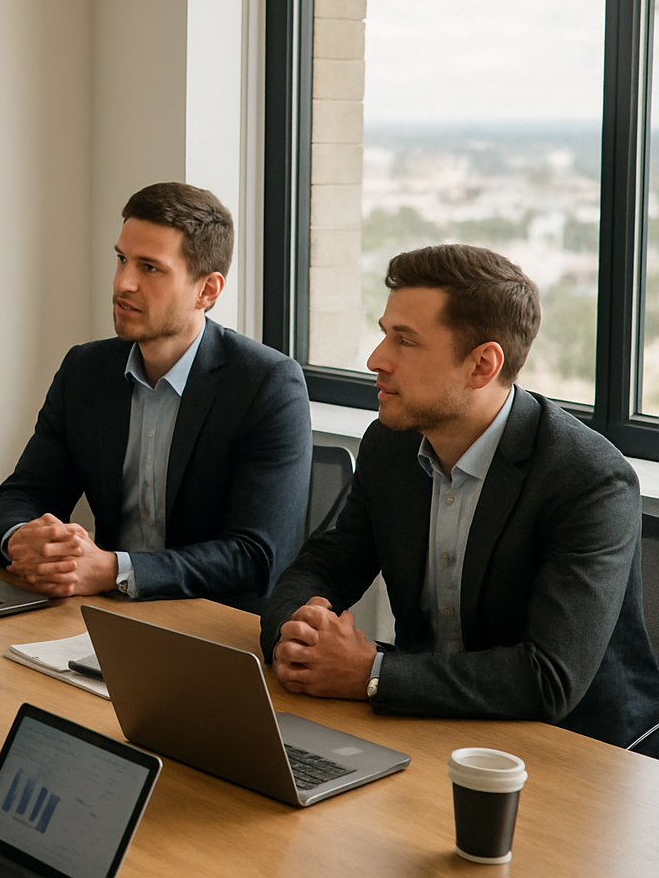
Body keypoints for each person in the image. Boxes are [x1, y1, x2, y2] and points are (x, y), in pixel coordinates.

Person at [260, 244, 659, 748]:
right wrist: (295, 635)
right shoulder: (390, 444)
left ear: (481, 365)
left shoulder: (589, 481)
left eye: (405, 340)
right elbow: (325, 564)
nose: (375, 359)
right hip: (423, 721)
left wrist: (373, 672)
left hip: (574, 752)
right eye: (385, 333)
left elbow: (548, 678)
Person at [0, 182, 312, 612]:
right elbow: (23, 495)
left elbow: (253, 557)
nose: (124, 283)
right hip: (102, 617)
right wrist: (22, 540)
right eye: (121, 260)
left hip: (213, 628)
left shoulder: (267, 385)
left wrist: (113, 569)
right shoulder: (85, 370)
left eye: (150, 268)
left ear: (207, 291)